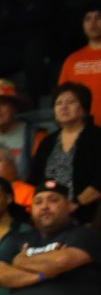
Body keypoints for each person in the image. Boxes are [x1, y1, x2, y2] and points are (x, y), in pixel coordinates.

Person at [32, 82, 101, 223]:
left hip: (86, 213)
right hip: (48, 215)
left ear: (84, 108)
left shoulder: (96, 137)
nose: (63, 107)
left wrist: (75, 204)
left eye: (70, 102)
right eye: (59, 103)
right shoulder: (47, 142)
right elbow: (34, 179)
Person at [59, 8, 101, 112]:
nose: (93, 22)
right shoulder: (73, 59)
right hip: (83, 125)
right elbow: (62, 94)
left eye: (98, 18)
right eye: (88, 19)